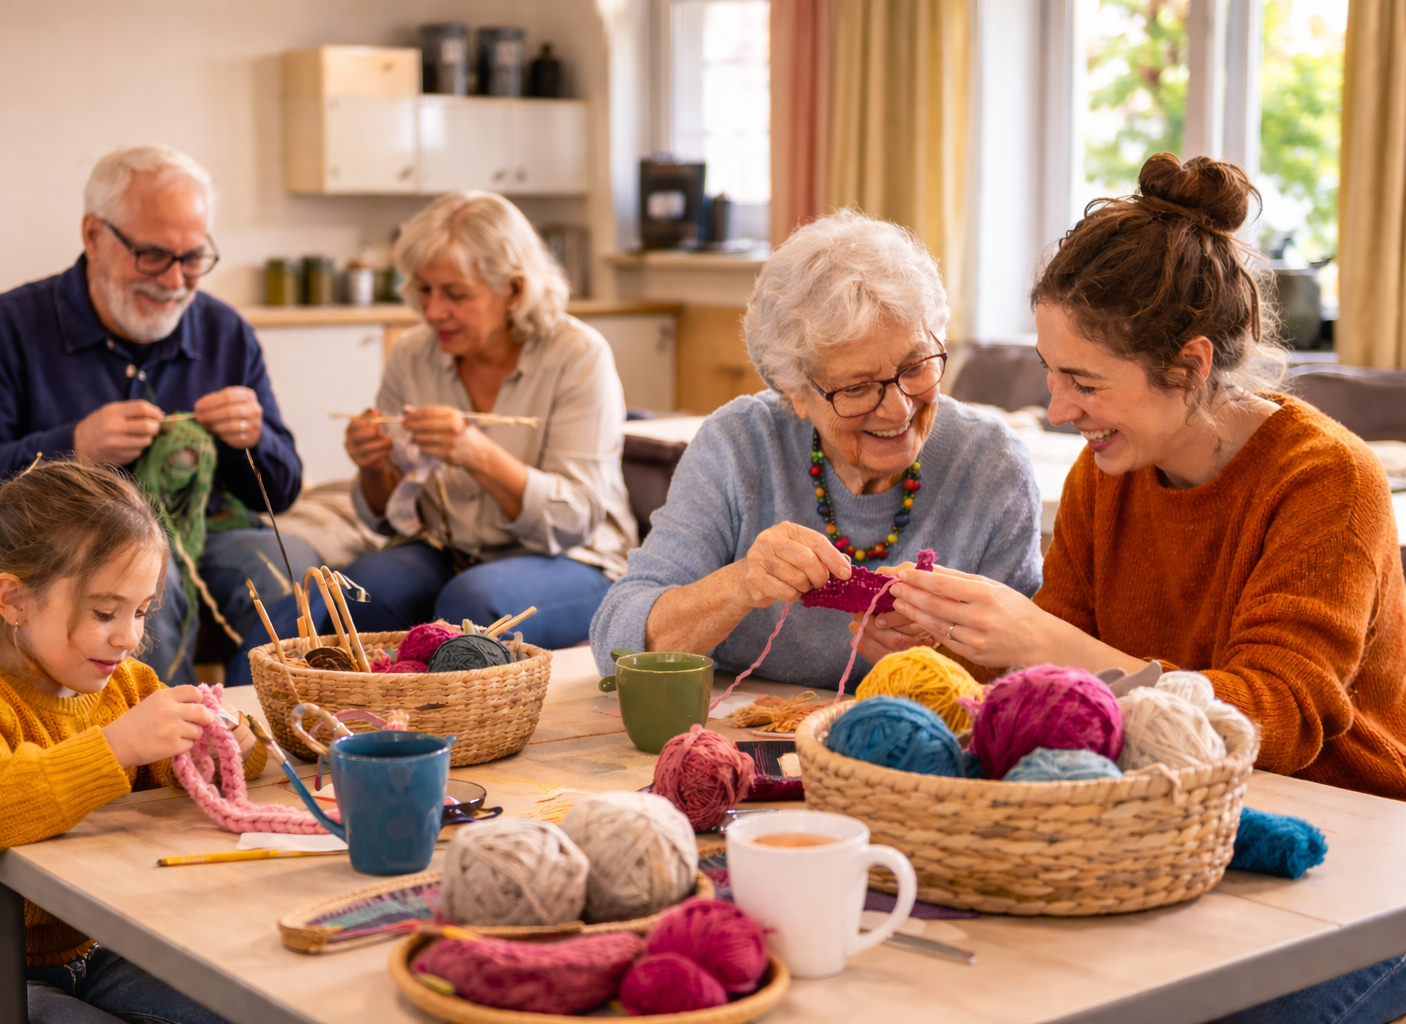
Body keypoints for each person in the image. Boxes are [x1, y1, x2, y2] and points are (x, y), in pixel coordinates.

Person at [875, 153, 1406, 1024]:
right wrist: (952, 651)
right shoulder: (1107, 474)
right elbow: (1066, 705)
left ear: (1190, 365)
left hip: (1354, 859)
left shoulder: (1326, 481)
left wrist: (1053, 650)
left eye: (1084, 381)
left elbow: (1281, 719)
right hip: (1172, 832)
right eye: (1051, 372)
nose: (1056, 408)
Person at [0, 145, 320, 687]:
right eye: (152, 255)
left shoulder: (226, 332)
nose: (176, 280)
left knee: (291, 563)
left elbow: (283, 492)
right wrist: (73, 446)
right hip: (61, 555)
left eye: (194, 258)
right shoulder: (9, 327)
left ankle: (257, 733)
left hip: (207, 539)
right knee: (145, 570)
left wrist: (254, 439)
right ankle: (148, 747)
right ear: (93, 236)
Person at [0, 461, 260, 1024]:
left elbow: (171, 779)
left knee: (236, 1007)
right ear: (14, 601)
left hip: (83, 952)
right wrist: (115, 748)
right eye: (105, 612)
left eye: (142, 611)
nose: (129, 637)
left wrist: (225, 750)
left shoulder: (124, 685)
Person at [588, 210, 1042, 688]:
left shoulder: (993, 463)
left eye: (916, 367)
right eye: (859, 387)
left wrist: (945, 656)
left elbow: (1027, 674)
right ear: (796, 394)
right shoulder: (740, 445)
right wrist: (741, 583)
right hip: (733, 738)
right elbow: (615, 640)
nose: (897, 409)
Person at [230, 192, 633, 681]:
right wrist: (374, 467)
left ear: (513, 289)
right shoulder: (413, 354)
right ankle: (241, 711)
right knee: (341, 592)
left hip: (576, 560)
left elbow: (576, 518)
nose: (434, 310)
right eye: (424, 290)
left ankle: (438, 737)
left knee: (468, 605)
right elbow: (385, 517)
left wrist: (476, 452)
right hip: (450, 551)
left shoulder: (578, 355)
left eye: (456, 294)